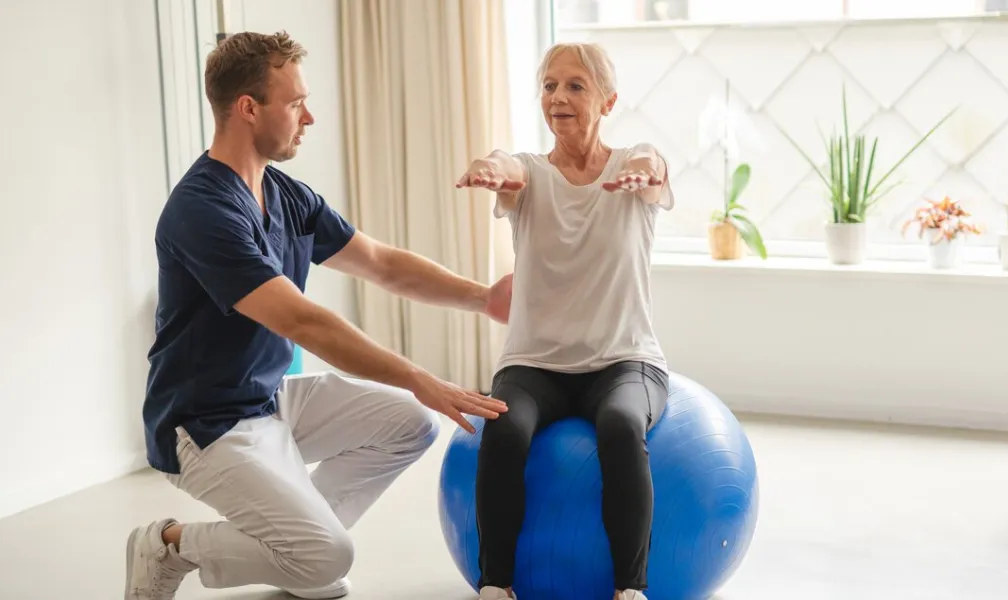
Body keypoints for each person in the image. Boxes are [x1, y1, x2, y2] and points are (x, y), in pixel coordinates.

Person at [123, 31, 510, 600]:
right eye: (296, 103)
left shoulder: (285, 194)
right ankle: (170, 544)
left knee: (411, 422)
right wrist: (419, 376)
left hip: (268, 398)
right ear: (249, 108)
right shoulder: (202, 210)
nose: (309, 117)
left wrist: (484, 297)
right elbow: (302, 323)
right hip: (204, 422)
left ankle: (297, 557)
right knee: (329, 555)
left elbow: (381, 263)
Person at [455, 42, 674, 600]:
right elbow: (507, 166)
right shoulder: (530, 174)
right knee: (504, 431)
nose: (558, 97)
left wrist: (644, 171)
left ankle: (630, 589)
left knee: (621, 426)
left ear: (608, 101)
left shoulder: (632, 166)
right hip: (535, 364)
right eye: (549, 86)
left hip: (625, 359)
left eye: (575, 86)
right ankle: (495, 585)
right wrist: (490, 167)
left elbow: (652, 166)